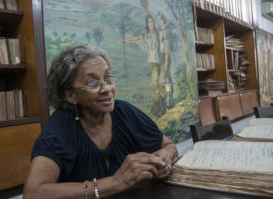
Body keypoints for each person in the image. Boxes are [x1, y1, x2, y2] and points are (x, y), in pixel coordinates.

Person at [23, 44, 178, 199]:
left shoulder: (125, 112)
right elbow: (33, 193)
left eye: (108, 77)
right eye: (92, 82)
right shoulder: (61, 126)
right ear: (71, 96)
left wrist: (165, 157)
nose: (106, 88)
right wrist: (116, 182)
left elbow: (169, 146)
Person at [122, 15, 166, 118]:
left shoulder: (158, 34)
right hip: (151, 62)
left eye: (152, 22)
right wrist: (127, 40)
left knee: (160, 84)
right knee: (154, 85)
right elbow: (137, 37)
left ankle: (162, 106)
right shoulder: (146, 35)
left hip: (160, 62)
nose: (150, 24)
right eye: (149, 22)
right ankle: (158, 105)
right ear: (147, 24)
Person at [157, 11, 174, 109]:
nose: (158, 20)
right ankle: (168, 99)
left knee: (167, 77)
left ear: (163, 19)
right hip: (161, 55)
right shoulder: (161, 29)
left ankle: (169, 100)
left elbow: (167, 47)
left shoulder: (166, 30)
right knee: (166, 77)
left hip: (166, 55)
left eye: (159, 19)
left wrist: (167, 61)